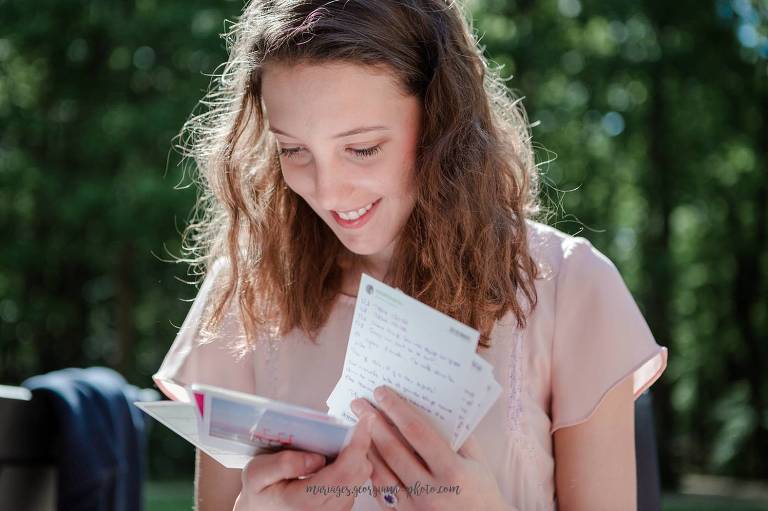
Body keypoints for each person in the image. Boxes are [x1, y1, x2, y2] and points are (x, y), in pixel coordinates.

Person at [153, 1, 668, 510]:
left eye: (362, 149)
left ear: (441, 125)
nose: (329, 193)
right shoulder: (245, 291)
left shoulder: (570, 285)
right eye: (293, 150)